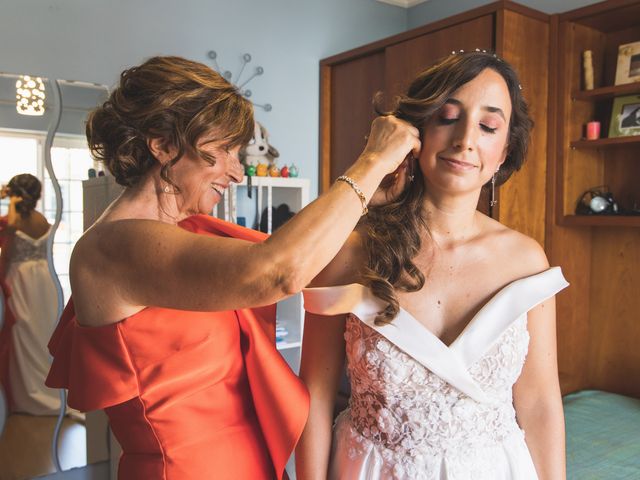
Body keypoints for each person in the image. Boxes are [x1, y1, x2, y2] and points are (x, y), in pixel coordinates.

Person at [44, 56, 419, 480]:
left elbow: (315, 257)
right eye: (223, 151)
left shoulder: (188, 232)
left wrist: (376, 199)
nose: (237, 172)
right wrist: (369, 163)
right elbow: (278, 272)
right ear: (163, 145)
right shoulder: (113, 247)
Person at [297, 51, 568, 480]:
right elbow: (313, 392)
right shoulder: (350, 253)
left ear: (505, 150)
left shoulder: (526, 260)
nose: (465, 139)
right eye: (447, 117)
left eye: (488, 126)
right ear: (416, 131)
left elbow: (539, 403)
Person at [0, 174, 60, 415]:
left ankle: (29, 394)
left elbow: (6, 255)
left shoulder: (11, 222)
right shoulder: (42, 220)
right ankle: (50, 390)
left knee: (23, 333)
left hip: (20, 280)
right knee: (42, 331)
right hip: (44, 281)